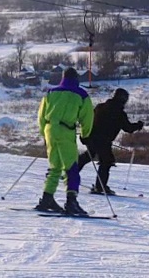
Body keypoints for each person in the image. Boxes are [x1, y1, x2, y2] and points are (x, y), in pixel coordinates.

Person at [35, 68, 94, 215]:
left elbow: (41, 115)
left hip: (50, 130)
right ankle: (71, 201)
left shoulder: (51, 92)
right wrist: (86, 135)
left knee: (54, 165)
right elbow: (87, 116)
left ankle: (47, 198)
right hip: (66, 130)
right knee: (71, 167)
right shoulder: (81, 94)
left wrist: (44, 133)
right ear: (76, 78)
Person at [78, 88, 144, 195]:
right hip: (104, 141)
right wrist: (139, 125)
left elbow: (89, 120)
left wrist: (84, 135)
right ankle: (100, 187)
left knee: (89, 155)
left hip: (92, 138)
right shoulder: (119, 113)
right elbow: (128, 128)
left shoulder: (100, 107)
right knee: (106, 161)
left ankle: (70, 174)